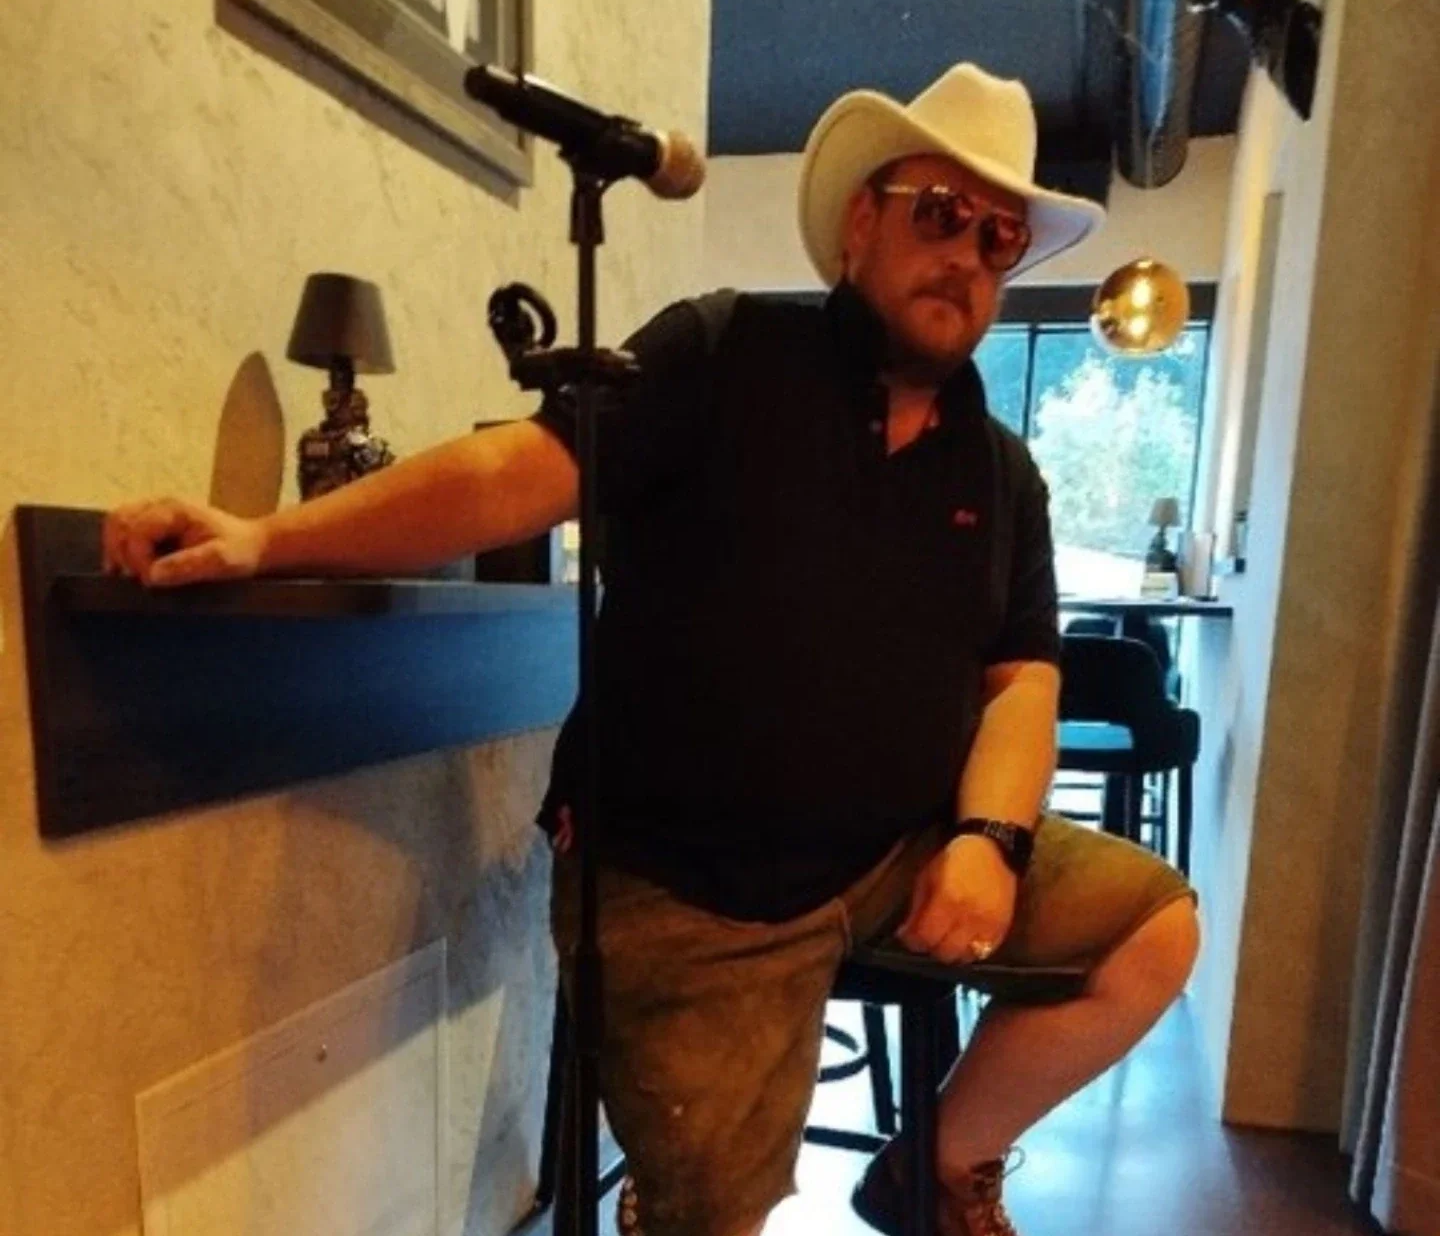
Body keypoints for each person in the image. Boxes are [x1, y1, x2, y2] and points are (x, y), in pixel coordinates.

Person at [103, 63, 1200, 1236]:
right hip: (695, 892)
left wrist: (990, 838)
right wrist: (266, 538)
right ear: (859, 224)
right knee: (709, 1219)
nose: (968, 256)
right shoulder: (724, 352)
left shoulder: (1004, 471)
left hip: (901, 852)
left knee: (1155, 935)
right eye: (939, 213)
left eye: (998, 237)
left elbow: (1022, 683)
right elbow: (513, 475)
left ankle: (935, 1163)